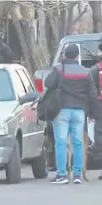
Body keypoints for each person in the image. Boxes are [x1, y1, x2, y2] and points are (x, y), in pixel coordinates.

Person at [44, 44, 97, 184]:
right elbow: (92, 93)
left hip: (61, 110)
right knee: (78, 142)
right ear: (77, 56)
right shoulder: (86, 72)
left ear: (64, 55)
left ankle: (62, 175)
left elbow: (48, 83)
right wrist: (92, 112)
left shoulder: (59, 69)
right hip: (79, 111)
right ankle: (77, 175)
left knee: (61, 142)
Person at [88, 43, 102, 180]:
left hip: (100, 109)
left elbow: (91, 94)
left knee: (100, 139)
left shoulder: (94, 70)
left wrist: (90, 112)